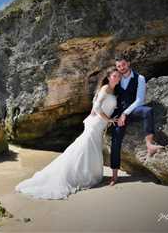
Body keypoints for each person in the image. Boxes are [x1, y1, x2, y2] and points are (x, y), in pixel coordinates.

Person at [15, 68, 121, 200]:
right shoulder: (105, 88)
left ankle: (88, 173)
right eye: (115, 76)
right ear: (109, 77)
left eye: (118, 76)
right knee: (84, 148)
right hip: (96, 124)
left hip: (99, 124)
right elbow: (98, 107)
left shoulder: (112, 90)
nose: (118, 78)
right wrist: (109, 119)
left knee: (90, 149)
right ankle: (76, 175)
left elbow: (96, 106)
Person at [109, 54, 164, 186]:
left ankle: (150, 145)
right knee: (115, 139)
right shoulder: (116, 78)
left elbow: (140, 100)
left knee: (148, 111)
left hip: (133, 111)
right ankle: (114, 175)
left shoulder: (139, 78)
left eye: (123, 65)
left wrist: (125, 114)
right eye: (118, 66)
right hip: (118, 113)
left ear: (128, 63)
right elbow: (107, 92)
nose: (121, 68)